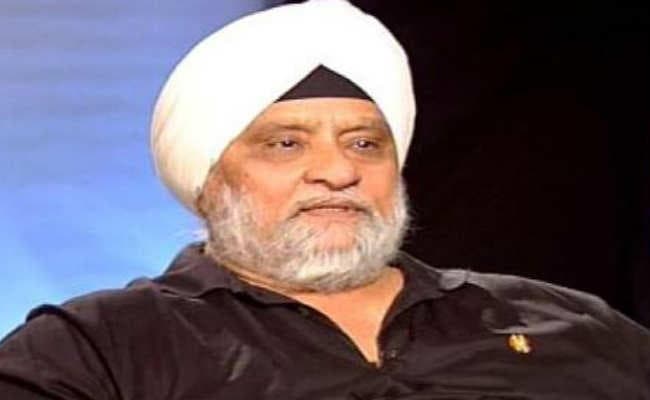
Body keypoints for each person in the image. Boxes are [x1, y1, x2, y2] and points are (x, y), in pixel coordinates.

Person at [1, 1, 648, 398]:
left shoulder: (570, 325)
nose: (338, 171)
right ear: (209, 179)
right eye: (286, 144)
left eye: (365, 144)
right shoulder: (97, 351)